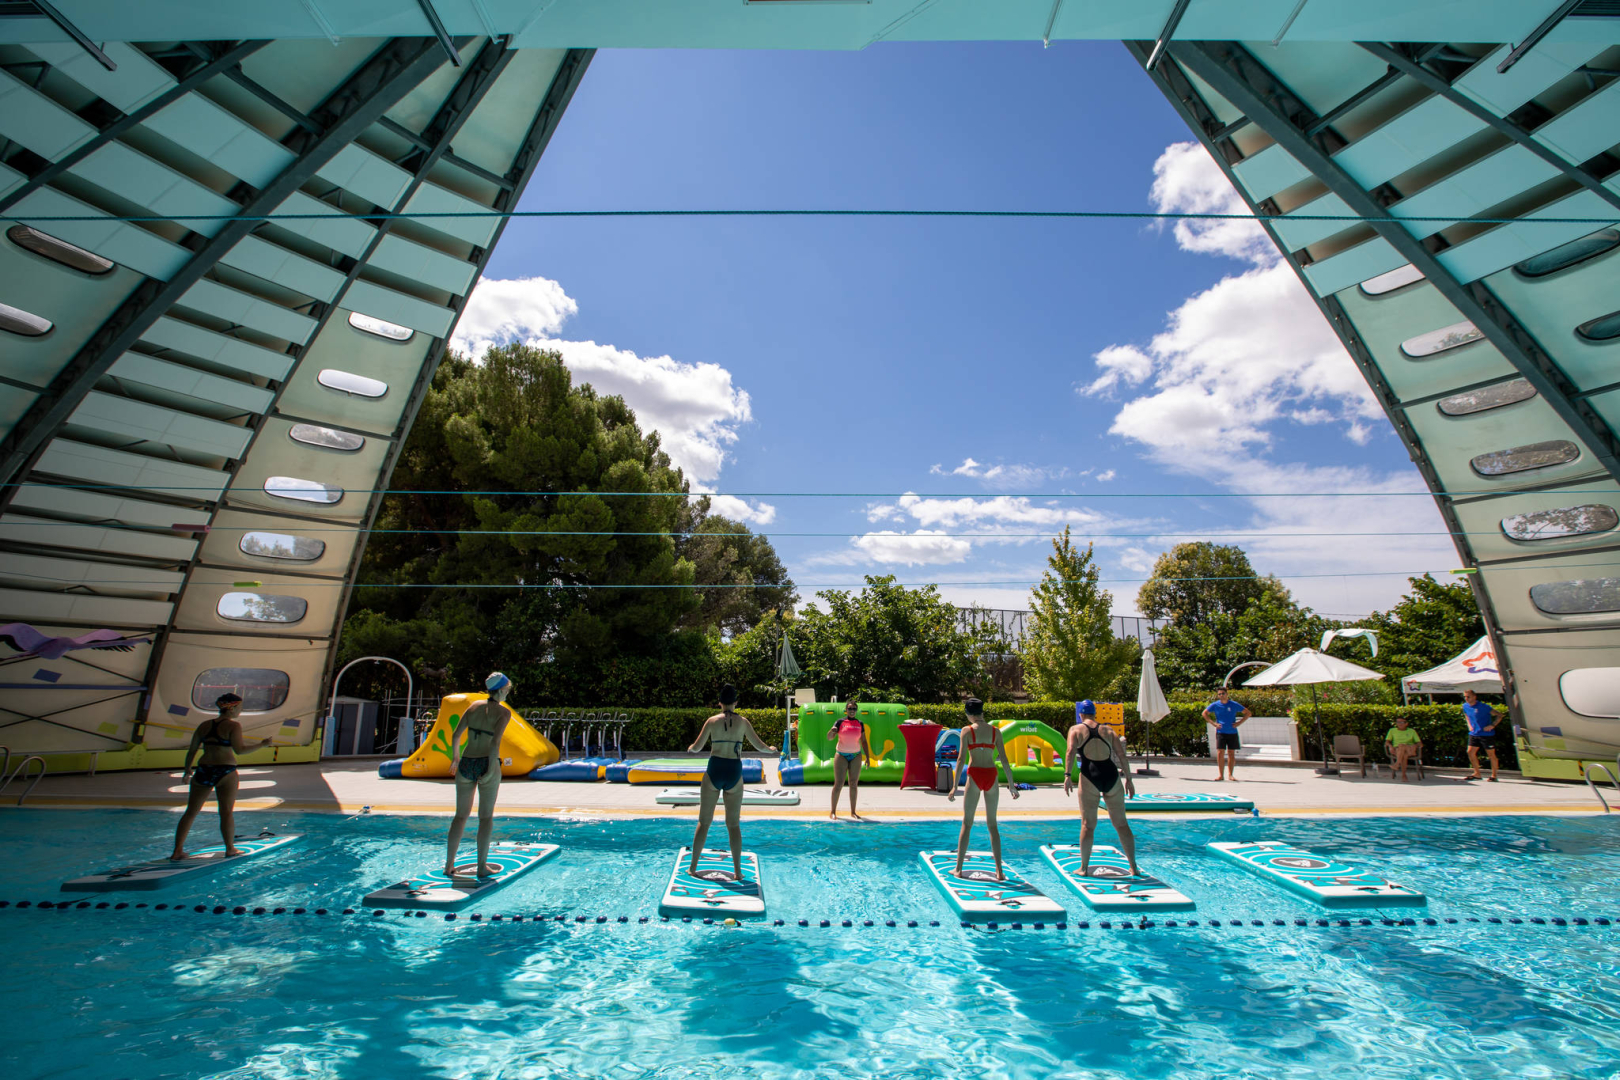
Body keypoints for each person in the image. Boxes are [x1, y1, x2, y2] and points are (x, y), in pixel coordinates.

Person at [171, 692, 271, 860]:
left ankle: (177, 851)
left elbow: (192, 750)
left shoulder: (203, 725)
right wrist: (262, 744)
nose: (241, 710)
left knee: (190, 812)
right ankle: (230, 849)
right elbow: (240, 750)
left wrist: (187, 769)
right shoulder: (234, 726)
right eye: (240, 707)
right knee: (226, 812)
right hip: (226, 770)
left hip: (204, 769)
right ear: (232, 708)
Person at [687, 684, 773, 881]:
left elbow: (698, 747)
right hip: (734, 770)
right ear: (736, 702)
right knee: (733, 825)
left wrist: (691, 748)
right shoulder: (743, 722)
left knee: (704, 821)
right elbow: (759, 746)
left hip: (715, 769)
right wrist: (771, 749)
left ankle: (693, 868)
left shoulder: (711, 721)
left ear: (719, 702)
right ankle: (737, 872)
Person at [445, 672, 515, 877]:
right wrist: (492, 768)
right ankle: (482, 867)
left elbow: (456, 735)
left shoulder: (473, 707)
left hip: (466, 762)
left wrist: (455, 759)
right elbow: (495, 743)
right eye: (508, 690)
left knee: (460, 816)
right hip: (487, 761)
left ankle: (449, 864)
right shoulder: (503, 713)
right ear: (501, 690)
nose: (507, 693)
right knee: (485, 818)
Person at [1063, 699, 1139, 876]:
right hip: (1111, 775)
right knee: (1121, 824)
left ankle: (1083, 868)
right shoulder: (1109, 730)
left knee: (1088, 825)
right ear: (1095, 713)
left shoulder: (1075, 730)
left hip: (1090, 776)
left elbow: (1070, 752)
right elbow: (1122, 756)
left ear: (1080, 714)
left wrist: (1067, 775)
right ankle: (1133, 867)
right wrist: (1129, 778)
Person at [948, 698, 1019, 880]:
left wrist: (954, 786)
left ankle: (958, 869)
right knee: (992, 824)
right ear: (982, 712)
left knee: (967, 823)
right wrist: (1011, 785)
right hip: (991, 775)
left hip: (975, 775)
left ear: (969, 714)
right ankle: (999, 871)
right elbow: (1004, 760)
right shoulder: (995, 732)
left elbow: (961, 759)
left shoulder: (967, 731)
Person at [827, 699, 874, 821]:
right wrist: (831, 732)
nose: (852, 711)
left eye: (854, 709)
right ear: (846, 710)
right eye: (850, 708)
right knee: (838, 784)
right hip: (841, 755)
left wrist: (868, 757)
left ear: (856, 710)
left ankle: (853, 811)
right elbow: (829, 738)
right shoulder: (840, 722)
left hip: (856, 756)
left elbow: (863, 741)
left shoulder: (860, 723)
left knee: (853, 784)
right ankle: (832, 811)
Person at [1202, 687, 1251, 781]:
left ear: (1226, 694)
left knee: (1231, 753)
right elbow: (1204, 713)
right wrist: (1214, 723)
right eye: (1219, 694)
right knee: (1220, 752)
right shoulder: (1215, 705)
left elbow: (1248, 713)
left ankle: (1230, 775)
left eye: (1223, 693)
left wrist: (1238, 723)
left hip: (1232, 732)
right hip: (1221, 732)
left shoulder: (1233, 704)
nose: (1221, 695)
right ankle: (1221, 775)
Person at [1462, 689, 1500, 782]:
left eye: (1468, 697)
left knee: (1491, 755)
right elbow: (1467, 715)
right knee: (1470, 752)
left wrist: (1492, 725)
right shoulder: (1465, 706)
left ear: (1474, 697)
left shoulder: (1483, 707)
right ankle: (1477, 773)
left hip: (1486, 734)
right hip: (1474, 733)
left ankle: (1494, 775)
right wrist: (1469, 725)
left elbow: (1499, 715)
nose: (1466, 699)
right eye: (1465, 697)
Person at [1384, 716, 1423, 782]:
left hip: (1410, 749)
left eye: (1402, 722)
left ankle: (1397, 764)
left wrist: (1415, 745)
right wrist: (1390, 746)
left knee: (1402, 746)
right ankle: (1404, 775)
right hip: (1397, 750)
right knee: (1404, 754)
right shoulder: (1392, 731)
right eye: (1398, 722)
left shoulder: (1412, 731)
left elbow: (1420, 743)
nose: (1400, 724)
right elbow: (1387, 742)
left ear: (1406, 723)